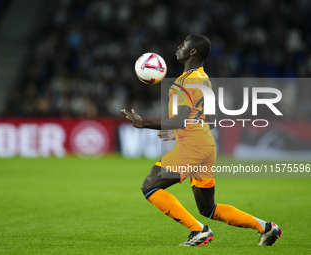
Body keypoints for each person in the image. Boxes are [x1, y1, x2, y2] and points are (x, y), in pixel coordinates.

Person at [121, 34, 282, 247]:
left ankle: (198, 231)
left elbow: (179, 119)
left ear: (193, 51)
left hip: (193, 147)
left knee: (150, 186)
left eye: (184, 44)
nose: (179, 46)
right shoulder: (202, 78)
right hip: (204, 144)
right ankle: (267, 228)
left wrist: (144, 124)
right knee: (208, 208)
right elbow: (211, 120)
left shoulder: (190, 80)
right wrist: (179, 131)